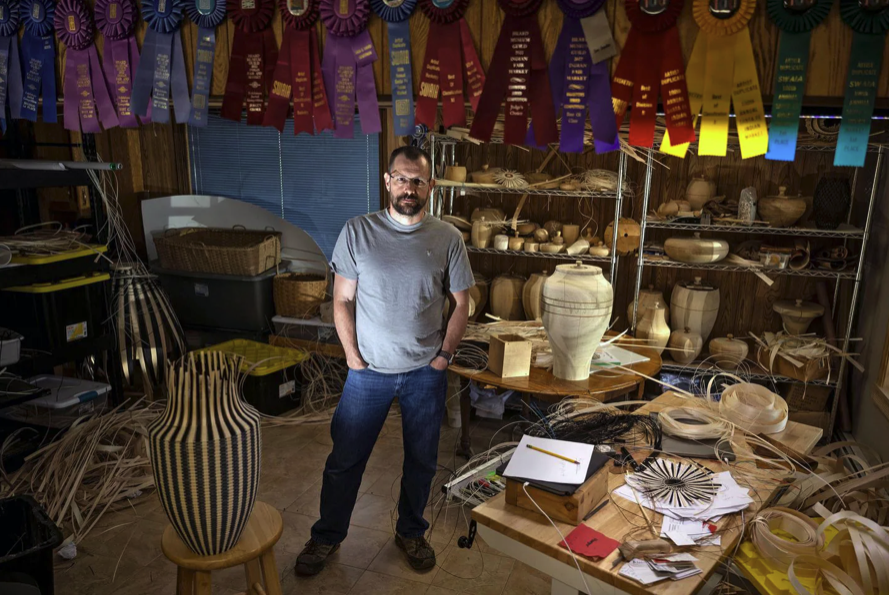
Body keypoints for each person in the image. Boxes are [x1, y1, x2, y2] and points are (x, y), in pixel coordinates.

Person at [295, 145, 474, 576]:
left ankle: (411, 532)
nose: (409, 188)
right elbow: (341, 299)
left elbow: (462, 303)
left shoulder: (447, 238)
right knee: (345, 459)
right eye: (402, 178)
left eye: (418, 181)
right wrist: (352, 357)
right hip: (368, 374)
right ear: (387, 181)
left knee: (422, 461)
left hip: (425, 373)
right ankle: (327, 535)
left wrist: (444, 357)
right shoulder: (358, 231)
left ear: (431, 186)